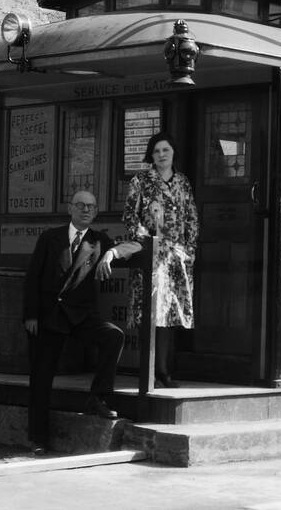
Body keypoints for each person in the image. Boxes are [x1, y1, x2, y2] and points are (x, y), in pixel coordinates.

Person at [23, 190, 137, 455]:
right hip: (48, 317)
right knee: (41, 377)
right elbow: (32, 279)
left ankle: (98, 398)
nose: (86, 210)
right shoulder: (50, 238)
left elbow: (136, 246)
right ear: (70, 209)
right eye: (81, 205)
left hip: (81, 316)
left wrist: (110, 254)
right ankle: (37, 438)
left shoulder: (99, 241)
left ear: (96, 213)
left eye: (91, 207)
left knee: (113, 336)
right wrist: (30, 315)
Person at [122, 131, 200, 388]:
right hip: (151, 258)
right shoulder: (141, 181)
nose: (161, 155)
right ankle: (149, 371)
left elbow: (192, 217)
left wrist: (188, 249)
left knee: (171, 316)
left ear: (173, 152)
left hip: (177, 259)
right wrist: (145, 245)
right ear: (151, 156)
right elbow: (131, 218)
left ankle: (165, 371)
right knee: (152, 313)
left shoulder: (183, 182)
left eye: (165, 150)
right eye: (156, 151)